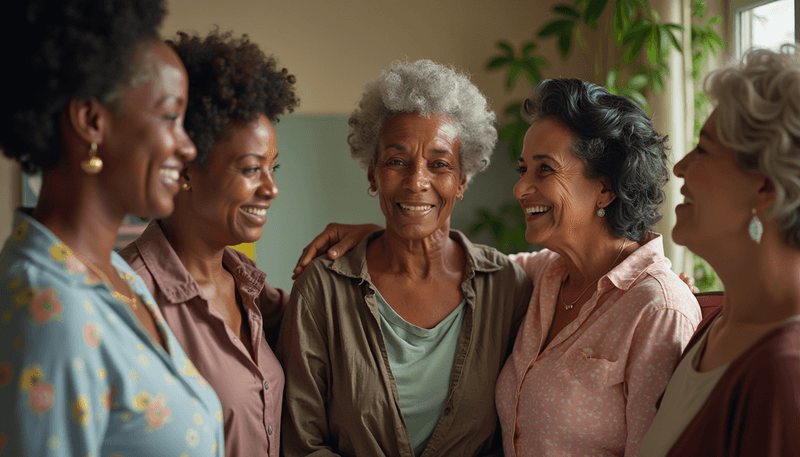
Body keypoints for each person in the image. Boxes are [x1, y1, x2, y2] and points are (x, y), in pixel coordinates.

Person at [297, 78, 702, 456]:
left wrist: (668, 298)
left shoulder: (657, 309)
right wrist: (384, 236)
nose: (520, 188)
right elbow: (435, 261)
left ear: (606, 187)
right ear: (374, 174)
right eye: (523, 169)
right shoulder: (543, 275)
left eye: (545, 168)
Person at [0, 1, 225, 456]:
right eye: (170, 116)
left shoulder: (117, 277)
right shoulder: (52, 310)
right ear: (91, 121)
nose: (187, 146)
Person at [277, 60, 533, 457]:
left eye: (439, 164)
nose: (416, 181)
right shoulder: (323, 286)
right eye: (397, 162)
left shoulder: (506, 287)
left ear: (462, 180)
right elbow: (301, 442)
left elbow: (512, 435)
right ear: (373, 175)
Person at [119, 30, 298, 457]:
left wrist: (372, 239)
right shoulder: (129, 298)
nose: (271, 188)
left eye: (273, 168)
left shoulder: (256, 294)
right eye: (251, 169)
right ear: (185, 169)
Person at [640, 44, 800, 456]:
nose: (680, 167)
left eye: (704, 149)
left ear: (765, 185)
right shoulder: (714, 326)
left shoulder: (785, 372)